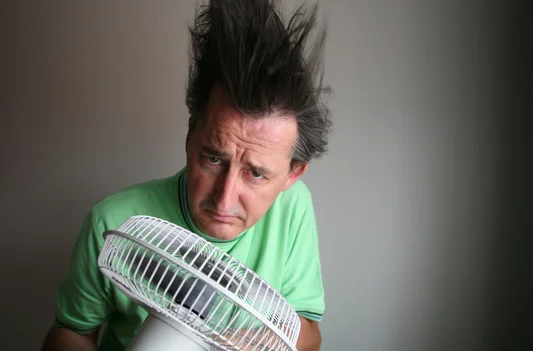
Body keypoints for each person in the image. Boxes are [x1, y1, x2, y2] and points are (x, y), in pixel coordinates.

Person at [41, 0, 332, 350]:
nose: (224, 200)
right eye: (212, 158)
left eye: (256, 174)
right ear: (190, 136)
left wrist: (215, 343)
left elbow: (308, 334)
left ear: (292, 175)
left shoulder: (294, 209)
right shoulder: (112, 222)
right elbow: (71, 331)